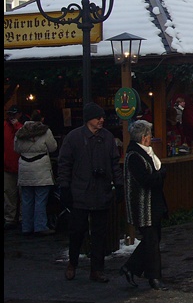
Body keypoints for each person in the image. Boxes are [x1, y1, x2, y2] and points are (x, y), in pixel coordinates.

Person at [57, 102, 124, 283]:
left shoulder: (108, 137)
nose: (102, 120)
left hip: (101, 192)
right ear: (89, 119)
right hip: (80, 191)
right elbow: (64, 164)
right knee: (77, 231)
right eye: (98, 117)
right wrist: (64, 187)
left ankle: (97, 269)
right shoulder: (74, 138)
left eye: (102, 117)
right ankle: (73, 263)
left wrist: (119, 185)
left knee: (99, 234)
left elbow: (114, 163)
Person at [121, 120, 169, 291]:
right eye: (149, 135)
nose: (150, 137)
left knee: (154, 239)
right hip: (142, 206)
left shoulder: (146, 153)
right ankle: (154, 278)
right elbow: (145, 180)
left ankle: (130, 267)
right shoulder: (134, 156)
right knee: (151, 241)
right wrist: (161, 174)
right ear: (143, 137)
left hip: (153, 204)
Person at [13, 110, 57, 236]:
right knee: (40, 199)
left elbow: (16, 148)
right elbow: (53, 147)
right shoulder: (45, 131)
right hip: (41, 168)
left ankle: (26, 227)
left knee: (26, 200)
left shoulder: (21, 131)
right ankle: (40, 226)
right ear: (41, 119)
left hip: (25, 168)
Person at [4, 105, 24, 230]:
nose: (11, 117)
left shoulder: (21, 128)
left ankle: (22, 218)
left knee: (23, 195)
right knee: (9, 194)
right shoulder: (4, 127)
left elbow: (23, 136)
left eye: (14, 114)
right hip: (7, 166)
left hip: (21, 166)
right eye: (10, 114)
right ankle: (10, 219)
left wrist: (17, 125)